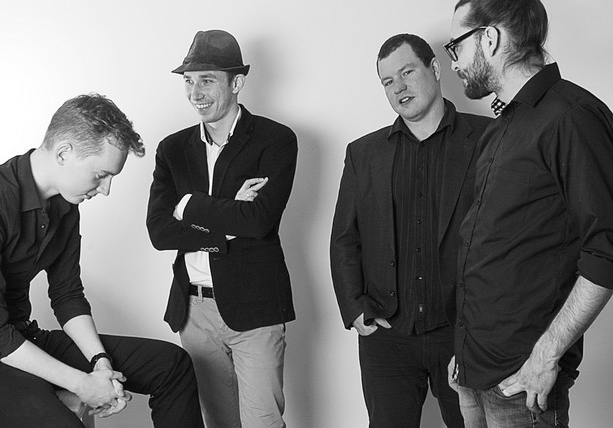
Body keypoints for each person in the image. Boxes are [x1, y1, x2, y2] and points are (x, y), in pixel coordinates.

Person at [445, 0, 613, 427]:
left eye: (456, 46)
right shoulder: (501, 127)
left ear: (490, 39)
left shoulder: (572, 117)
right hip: (473, 371)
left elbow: (607, 248)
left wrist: (546, 355)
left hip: (523, 382)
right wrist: (464, 349)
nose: (453, 62)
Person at [0, 93, 204, 428]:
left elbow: (66, 294)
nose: (106, 189)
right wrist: (81, 384)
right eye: (100, 175)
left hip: (22, 337)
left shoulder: (66, 206)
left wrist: (100, 362)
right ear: (64, 153)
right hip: (3, 348)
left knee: (171, 365)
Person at [330, 33, 490, 428]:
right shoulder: (363, 153)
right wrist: (355, 310)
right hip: (387, 338)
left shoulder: (489, 138)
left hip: (464, 332)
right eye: (388, 81)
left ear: (434, 69)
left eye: (407, 72)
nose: (399, 87)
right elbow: (345, 239)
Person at [147, 29, 297, 428]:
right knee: (219, 423)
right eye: (188, 81)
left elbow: (259, 221)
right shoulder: (172, 149)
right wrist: (230, 219)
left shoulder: (275, 140)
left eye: (207, 80)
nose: (195, 93)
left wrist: (188, 205)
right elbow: (159, 231)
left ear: (237, 83)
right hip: (193, 312)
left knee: (262, 423)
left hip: (256, 307)